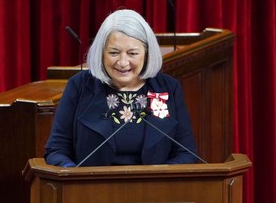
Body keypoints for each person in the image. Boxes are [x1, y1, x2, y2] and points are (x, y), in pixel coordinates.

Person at [44, 9, 198, 167]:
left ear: (146, 53)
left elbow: (186, 153)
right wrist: (73, 176)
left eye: (132, 53)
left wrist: (160, 179)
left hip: (155, 189)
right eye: (114, 53)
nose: (123, 62)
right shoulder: (79, 86)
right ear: (101, 53)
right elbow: (56, 149)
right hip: (92, 189)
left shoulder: (167, 88)